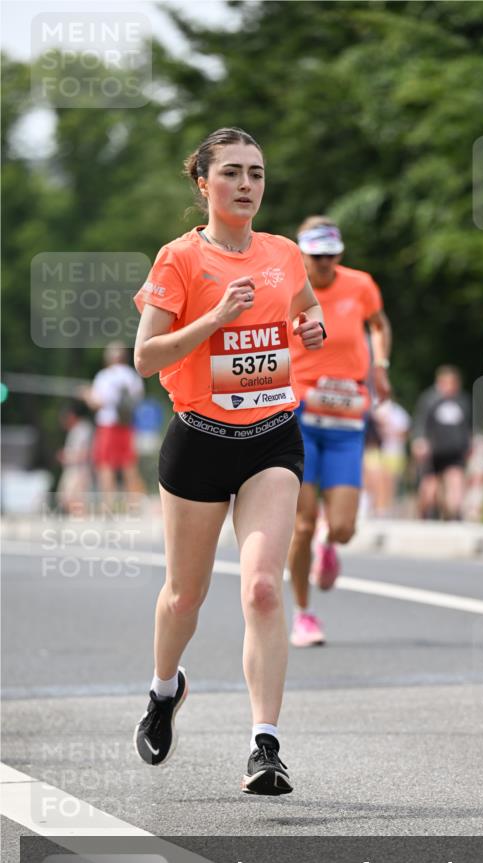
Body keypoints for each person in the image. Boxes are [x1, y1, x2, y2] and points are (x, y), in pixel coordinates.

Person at [131, 127, 325, 795]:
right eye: (233, 173)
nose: (246, 184)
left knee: (263, 588)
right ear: (203, 184)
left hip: (272, 435)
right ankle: (163, 690)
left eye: (257, 173)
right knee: (185, 595)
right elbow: (146, 357)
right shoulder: (179, 259)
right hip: (199, 439)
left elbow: (303, 307)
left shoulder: (284, 254)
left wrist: (312, 325)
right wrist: (213, 319)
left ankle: (264, 745)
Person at [287, 217, 392, 647]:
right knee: (303, 525)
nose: (325, 263)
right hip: (300, 415)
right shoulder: (288, 288)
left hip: (348, 419)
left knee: (344, 526)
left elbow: (380, 325)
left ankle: (331, 548)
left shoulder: (360, 285)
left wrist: (380, 366)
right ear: (303, 255)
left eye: (331, 254)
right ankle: (304, 615)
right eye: (316, 256)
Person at [82, 342, 146, 504]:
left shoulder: (105, 376)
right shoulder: (132, 375)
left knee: (105, 464)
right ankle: (135, 503)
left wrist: (86, 395)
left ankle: (108, 503)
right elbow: (138, 399)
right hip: (127, 424)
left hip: (108, 424)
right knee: (128, 464)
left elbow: (98, 402)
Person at [411, 366, 471, 520]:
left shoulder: (462, 401)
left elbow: (467, 427)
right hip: (433, 451)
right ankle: (426, 515)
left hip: (454, 450)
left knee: (455, 482)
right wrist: (419, 441)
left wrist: (469, 445)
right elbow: (420, 423)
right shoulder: (430, 399)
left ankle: (455, 516)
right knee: (429, 488)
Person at [55, 399, 94, 513]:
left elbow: (86, 453)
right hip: (72, 470)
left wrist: (68, 457)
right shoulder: (75, 430)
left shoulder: (83, 429)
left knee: (76, 501)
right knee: (65, 499)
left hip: (79, 470)